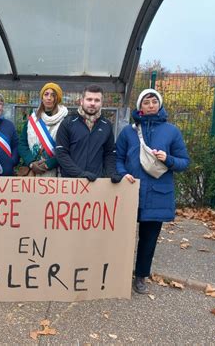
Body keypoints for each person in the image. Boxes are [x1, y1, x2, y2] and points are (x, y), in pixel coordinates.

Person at [116, 88, 190, 294]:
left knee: (148, 240)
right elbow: (117, 158)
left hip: (158, 194)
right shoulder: (128, 132)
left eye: (154, 102)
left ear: (160, 105)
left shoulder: (171, 131)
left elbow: (184, 162)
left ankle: (141, 276)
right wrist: (122, 173)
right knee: (123, 237)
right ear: (140, 106)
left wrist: (169, 159)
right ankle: (118, 273)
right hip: (131, 191)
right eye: (146, 102)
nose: (150, 105)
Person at [55, 84, 122, 183]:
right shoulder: (68, 123)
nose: (93, 103)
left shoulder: (106, 125)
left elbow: (109, 153)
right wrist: (79, 173)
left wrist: (112, 173)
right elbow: (61, 153)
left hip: (96, 183)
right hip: (70, 184)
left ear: (101, 103)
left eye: (97, 100)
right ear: (82, 101)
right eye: (89, 99)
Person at [18, 83, 68, 177]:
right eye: (46, 94)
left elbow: (65, 149)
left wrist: (48, 164)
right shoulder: (32, 119)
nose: (49, 98)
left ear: (58, 99)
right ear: (42, 97)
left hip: (55, 171)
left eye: (53, 95)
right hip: (32, 169)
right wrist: (31, 163)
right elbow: (22, 144)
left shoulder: (65, 122)